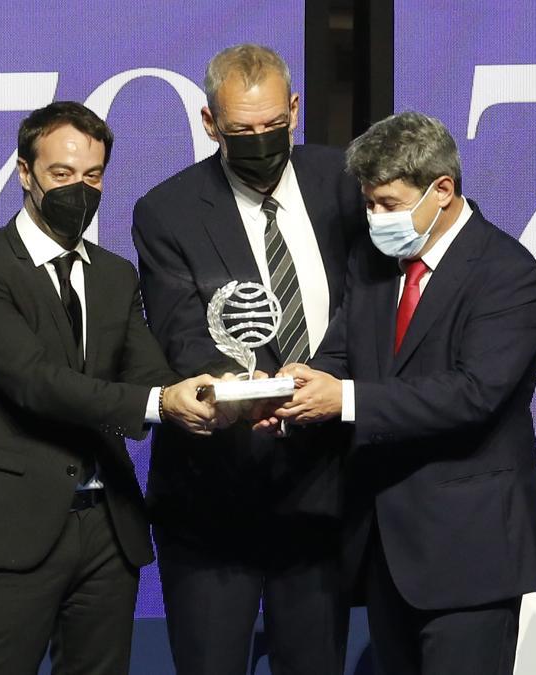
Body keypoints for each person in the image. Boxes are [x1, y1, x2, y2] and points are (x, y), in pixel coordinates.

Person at [258, 111, 536, 675]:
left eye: (388, 204)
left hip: (470, 554)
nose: (374, 218)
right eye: (368, 203)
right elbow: (342, 353)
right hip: (383, 550)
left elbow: (473, 393)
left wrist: (343, 399)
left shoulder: (508, 274)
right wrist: (289, 391)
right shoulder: (374, 264)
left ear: (442, 190)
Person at [0, 101, 226, 675]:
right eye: (61, 175)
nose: (79, 190)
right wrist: (157, 402)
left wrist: (218, 393)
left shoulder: (115, 274)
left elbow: (150, 376)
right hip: (12, 529)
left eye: (92, 177)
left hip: (107, 529)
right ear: (25, 172)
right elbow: (36, 384)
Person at [131, 44, 366, 675]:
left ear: (294, 110)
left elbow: (373, 307)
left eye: (272, 127)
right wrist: (247, 395)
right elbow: (181, 335)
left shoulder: (349, 185)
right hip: (214, 499)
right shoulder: (167, 211)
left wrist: (329, 388)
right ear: (211, 124)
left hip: (323, 491)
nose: (260, 142)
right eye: (241, 132)